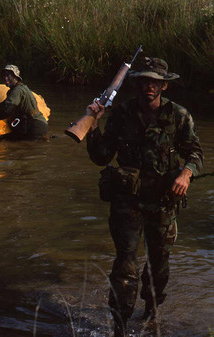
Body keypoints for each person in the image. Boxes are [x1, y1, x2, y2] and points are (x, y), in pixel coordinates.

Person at [84, 57, 203, 336]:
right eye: (144, 81)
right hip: (127, 201)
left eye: (155, 82)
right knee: (125, 264)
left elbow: (196, 153)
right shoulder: (122, 114)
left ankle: (151, 313)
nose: (149, 86)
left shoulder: (179, 116)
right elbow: (102, 157)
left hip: (164, 201)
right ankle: (120, 327)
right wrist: (92, 126)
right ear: (137, 84)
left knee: (159, 264)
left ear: (164, 86)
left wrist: (186, 174)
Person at [0, 65, 48, 140]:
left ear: (15, 77)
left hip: (34, 126)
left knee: (25, 149)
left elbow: (6, 111)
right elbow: (3, 106)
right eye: (4, 75)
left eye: (8, 75)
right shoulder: (18, 89)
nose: (5, 78)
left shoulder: (17, 91)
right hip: (36, 125)